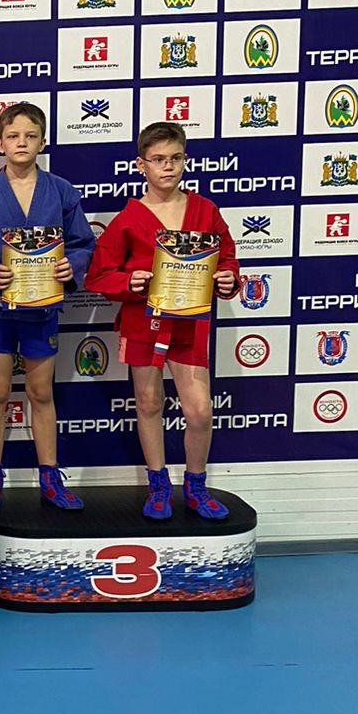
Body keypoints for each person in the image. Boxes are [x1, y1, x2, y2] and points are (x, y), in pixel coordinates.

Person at [86, 120, 239, 519]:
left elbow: (226, 258)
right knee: (149, 403)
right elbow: (99, 275)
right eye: (157, 159)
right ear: (141, 165)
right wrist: (129, 281)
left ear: (185, 160)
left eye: (175, 158)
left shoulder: (204, 210)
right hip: (143, 323)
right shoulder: (128, 218)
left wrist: (228, 278)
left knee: (199, 411)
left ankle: (196, 485)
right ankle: (158, 485)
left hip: (189, 325)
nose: (167, 167)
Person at [0, 101, 96, 511]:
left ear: (42, 142)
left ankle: (49, 477)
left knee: (40, 392)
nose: (22, 143)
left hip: (42, 310)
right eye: (13, 136)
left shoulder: (61, 191)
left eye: (31, 136)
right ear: (0, 144)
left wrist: (72, 265)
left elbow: (83, 242)